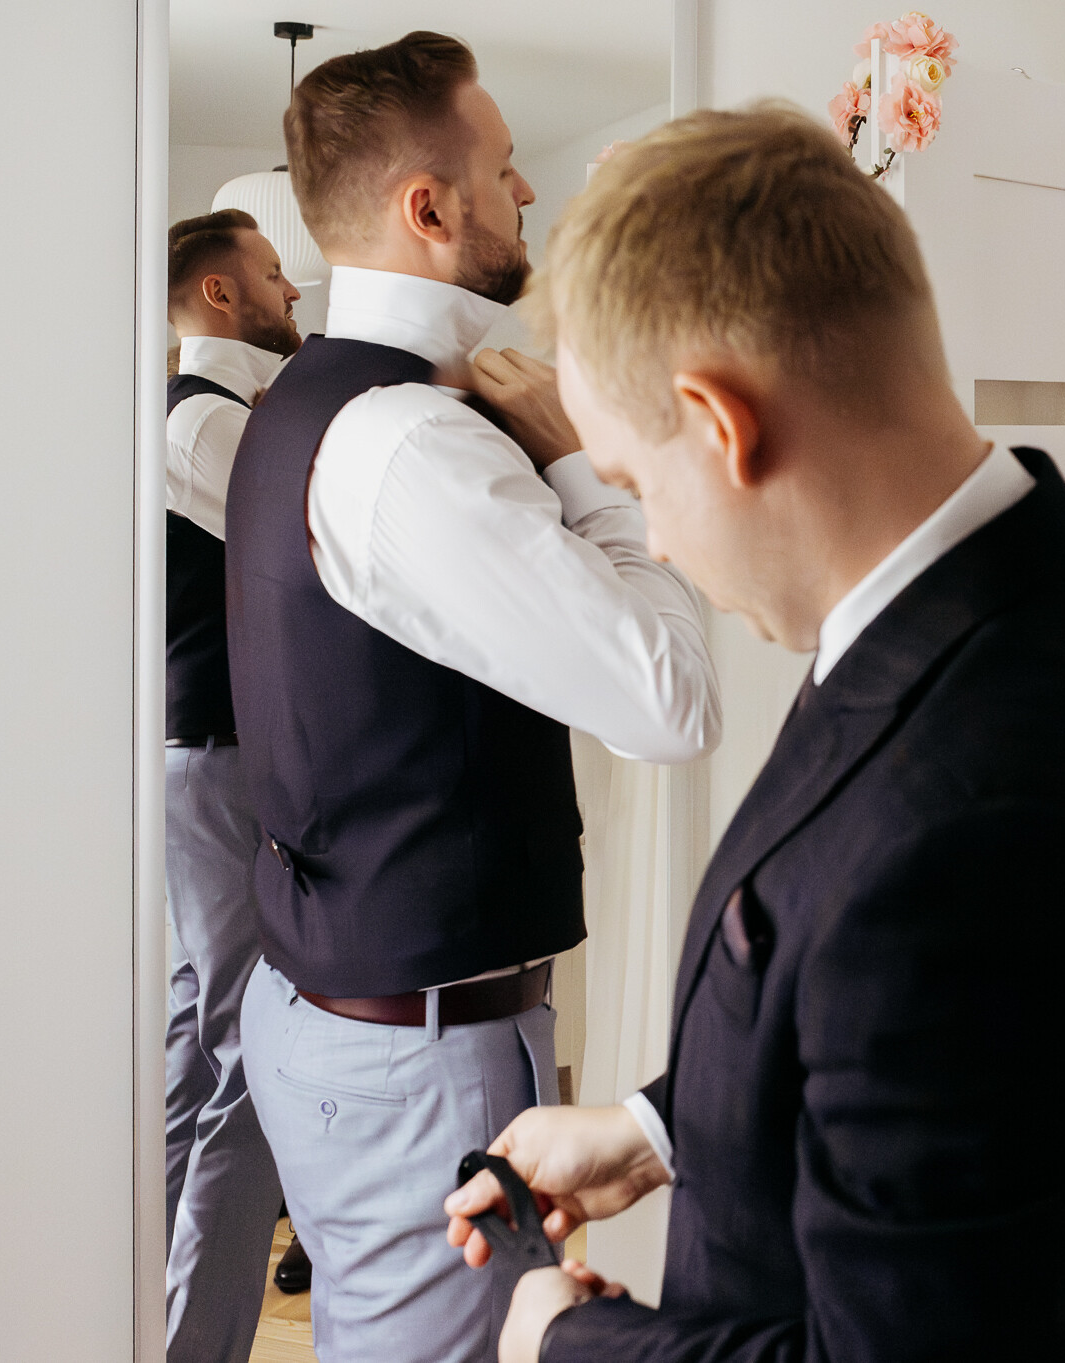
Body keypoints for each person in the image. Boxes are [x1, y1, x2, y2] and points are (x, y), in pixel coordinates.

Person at [443, 105, 1065, 1363]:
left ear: (721, 424)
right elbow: (910, 1054)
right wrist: (659, 1131)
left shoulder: (977, 827)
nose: (654, 538)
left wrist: (567, 1341)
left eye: (638, 485)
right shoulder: (1034, 588)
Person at [224, 32, 720, 1363]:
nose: (530, 191)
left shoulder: (306, 399)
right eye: (505, 169)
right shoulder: (416, 442)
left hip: (343, 1015)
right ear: (429, 209)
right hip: (412, 1061)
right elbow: (669, 699)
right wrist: (584, 469)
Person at [162, 207, 301, 1361]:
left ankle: (143, 1316)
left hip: (198, 761)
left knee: (192, 1049)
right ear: (219, 293)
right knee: (250, 1053)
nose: (291, 288)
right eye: (271, 270)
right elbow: (303, 551)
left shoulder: (218, 413)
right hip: (214, 760)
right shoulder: (203, 420)